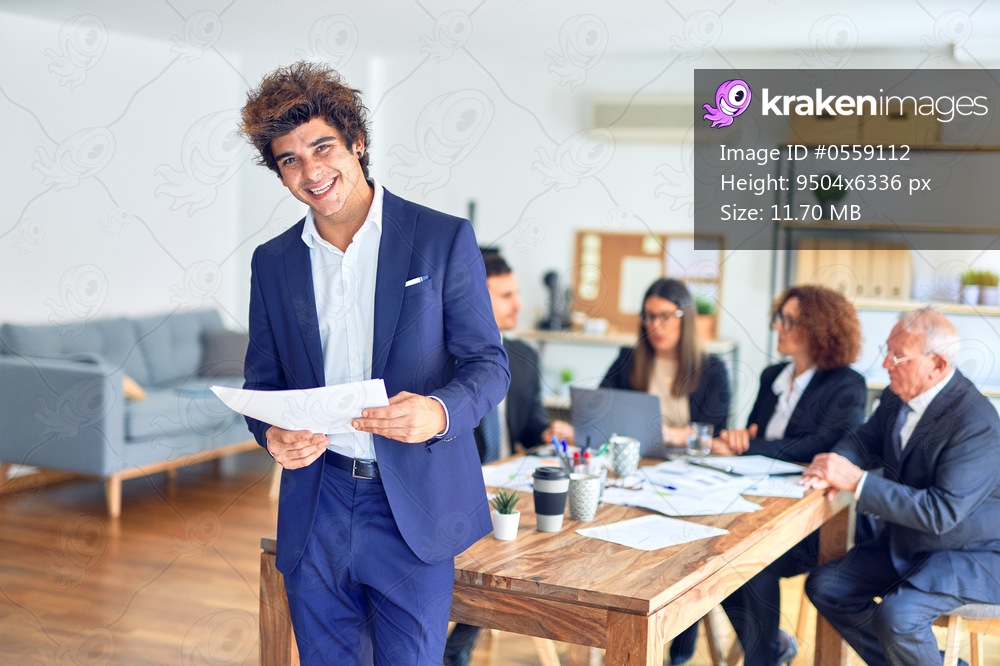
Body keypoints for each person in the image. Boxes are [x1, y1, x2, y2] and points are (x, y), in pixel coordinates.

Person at [238, 61, 509, 666]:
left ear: (356, 142)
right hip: (317, 503)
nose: (311, 172)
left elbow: (490, 364)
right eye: (289, 160)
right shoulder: (272, 262)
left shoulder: (441, 239)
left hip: (413, 504)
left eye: (322, 147)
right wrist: (272, 434)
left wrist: (439, 412)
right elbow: (263, 386)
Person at [803, 308, 1000, 665]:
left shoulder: (977, 423)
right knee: (827, 587)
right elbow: (863, 441)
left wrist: (854, 480)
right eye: (886, 350)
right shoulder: (899, 394)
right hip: (911, 542)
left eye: (898, 356)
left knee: (898, 618)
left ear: (937, 365)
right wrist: (832, 466)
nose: (885, 364)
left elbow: (940, 513)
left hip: (975, 554)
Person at [712, 285, 867, 666]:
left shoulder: (847, 384)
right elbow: (754, 436)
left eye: (789, 320)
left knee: (751, 562)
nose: (777, 327)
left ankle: (763, 656)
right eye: (778, 317)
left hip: (811, 522)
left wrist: (750, 445)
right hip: (756, 505)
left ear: (818, 329)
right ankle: (770, 649)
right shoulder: (771, 377)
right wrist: (739, 440)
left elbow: (818, 447)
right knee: (714, 561)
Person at [443, 251, 574, 666]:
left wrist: (547, 432)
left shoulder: (523, 357)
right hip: (457, 489)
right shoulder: (442, 360)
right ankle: (459, 642)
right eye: (506, 295)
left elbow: (530, 424)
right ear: (476, 301)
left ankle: (461, 641)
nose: (519, 305)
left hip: (505, 486)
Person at [600, 277, 730, 665]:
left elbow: (715, 432)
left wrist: (668, 433)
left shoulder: (712, 369)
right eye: (648, 317)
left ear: (684, 317)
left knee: (684, 554)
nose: (655, 326)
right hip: (635, 474)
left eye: (665, 317)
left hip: (688, 478)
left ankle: (679, 650)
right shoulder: (631, 357)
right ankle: (625, 631)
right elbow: (601, 410)